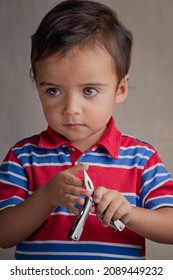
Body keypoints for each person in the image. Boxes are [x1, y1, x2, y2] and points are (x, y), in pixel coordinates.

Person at [0, 0, 173, 260]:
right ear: (37, 86)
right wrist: (46, 197)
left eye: (89, 90)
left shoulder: (141, 158)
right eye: (53, 90)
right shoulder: (23, 157)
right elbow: (4, 235)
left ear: (121, 89)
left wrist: (130, 213)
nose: (71, 108)